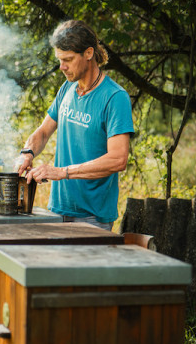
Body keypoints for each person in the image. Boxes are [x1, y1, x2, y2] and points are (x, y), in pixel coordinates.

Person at [17, 20, 134, 231]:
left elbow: (118, 159)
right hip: (57, 210)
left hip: (92, 218)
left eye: (68, 60)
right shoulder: (67, 89)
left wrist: (62, 172)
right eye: (60, 60)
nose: (62, 67)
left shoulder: (115, 97)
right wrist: (27, 153)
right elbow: (43, 132)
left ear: (88, 53)